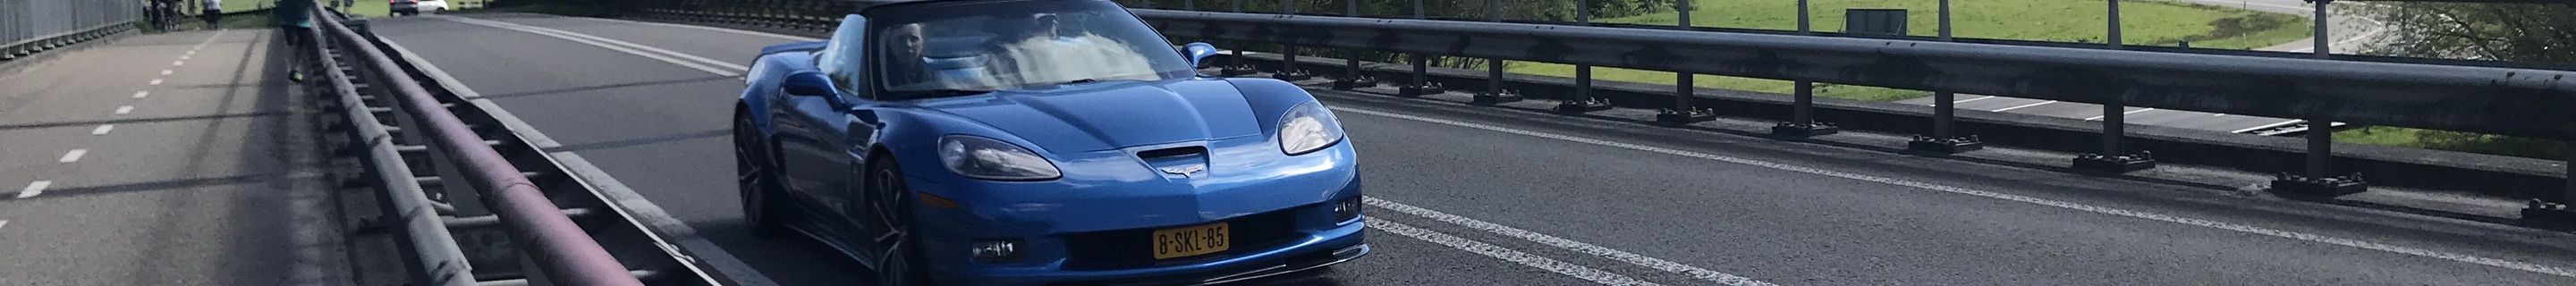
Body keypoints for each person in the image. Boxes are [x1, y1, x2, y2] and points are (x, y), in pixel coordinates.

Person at [275, 0, 314, 81]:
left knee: (301, 45)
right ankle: (294, 69)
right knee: (292, 43)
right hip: (288, 18)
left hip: (303, 19)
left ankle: (295, 67)